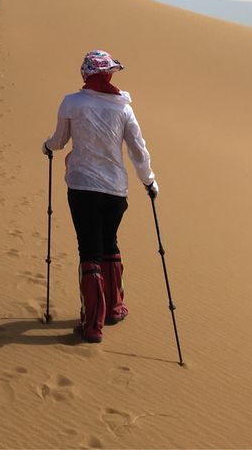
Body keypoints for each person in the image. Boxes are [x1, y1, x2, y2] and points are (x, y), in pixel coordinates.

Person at [42, 50, 158, 344]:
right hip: (116, 191)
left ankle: (92, 323)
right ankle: (114, 308)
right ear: (108, 74)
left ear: (86, 74)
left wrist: (48, 147)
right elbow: (138, 150)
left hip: (82, 188)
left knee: (89, 251)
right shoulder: (123, 109)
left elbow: (59, 140)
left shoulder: (72, 103)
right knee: (110, 244)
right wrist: (149, 181)